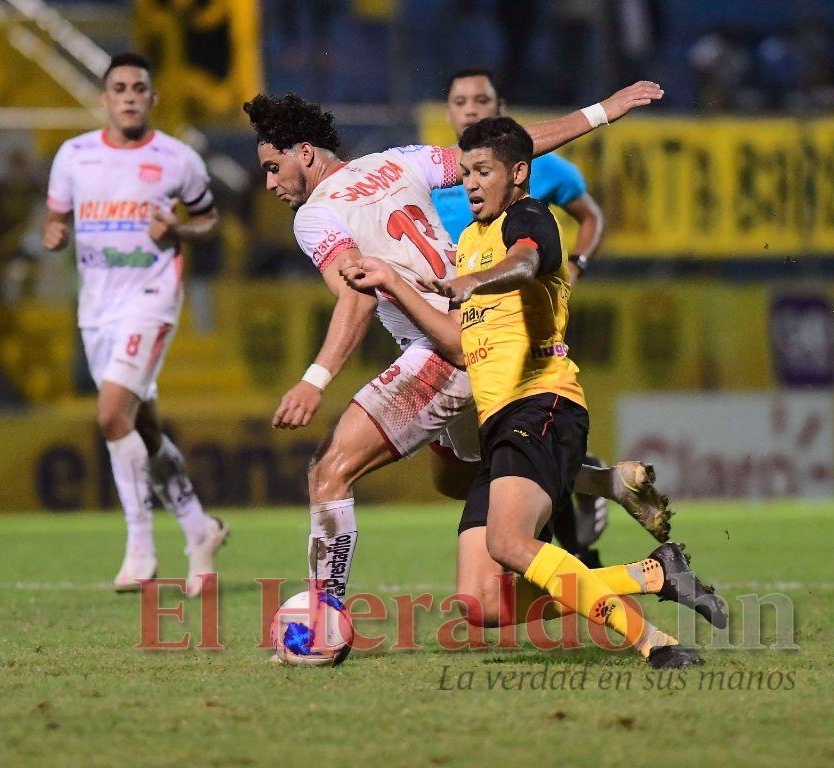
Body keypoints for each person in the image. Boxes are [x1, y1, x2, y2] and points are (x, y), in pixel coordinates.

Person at [243, 81, 664, 604]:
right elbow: (513, 149)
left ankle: (325, 613)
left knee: (330, 471)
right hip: (486, 335)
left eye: (271, 167)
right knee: (463, 475)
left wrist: (315, 379)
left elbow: (358, 298)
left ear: (304, 154)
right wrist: (602, 111)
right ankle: (604, 485)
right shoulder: (399, 161)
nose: (269, 184)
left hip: (442, 351)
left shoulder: (314, 218)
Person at [340, 117, 724, 668]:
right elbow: (455, 343)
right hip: (499, 424)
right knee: (480, 603)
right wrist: (394, 284)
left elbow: (527, 262)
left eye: (483, 171)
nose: (469, 183)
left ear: (518, 173)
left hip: (543, 406)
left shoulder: (529, 217)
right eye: (465, 172)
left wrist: (473, 282)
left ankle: (650, 642)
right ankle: (655, 573)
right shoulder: (468, 243)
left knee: (510, 545)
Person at [430, 68, 639, 565]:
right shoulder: (440, 177)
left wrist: (575, 269)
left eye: (482, 99)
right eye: (461, 101)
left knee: (521, 443)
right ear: (447, 112)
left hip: (516, 320)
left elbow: (589, 219)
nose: (472, 109)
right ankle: (586, 478)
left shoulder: (540, 176)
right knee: (455, 476)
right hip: (457, 325)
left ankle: (579, 555)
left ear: (500, 106)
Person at [43, 52, 228, 597]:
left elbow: (209, 217)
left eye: (138, 88)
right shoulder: (72, 156)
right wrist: (54, 232)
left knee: (109, 415)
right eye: (118, 87)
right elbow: (56, 216)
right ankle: (200, 529)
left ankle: (140, 547)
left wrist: (178, 231)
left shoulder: (179, 159)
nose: (128, 95)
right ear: (104, 99)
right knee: (142, 428)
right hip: (95, 310)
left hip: (151, 300)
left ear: (153, 99)